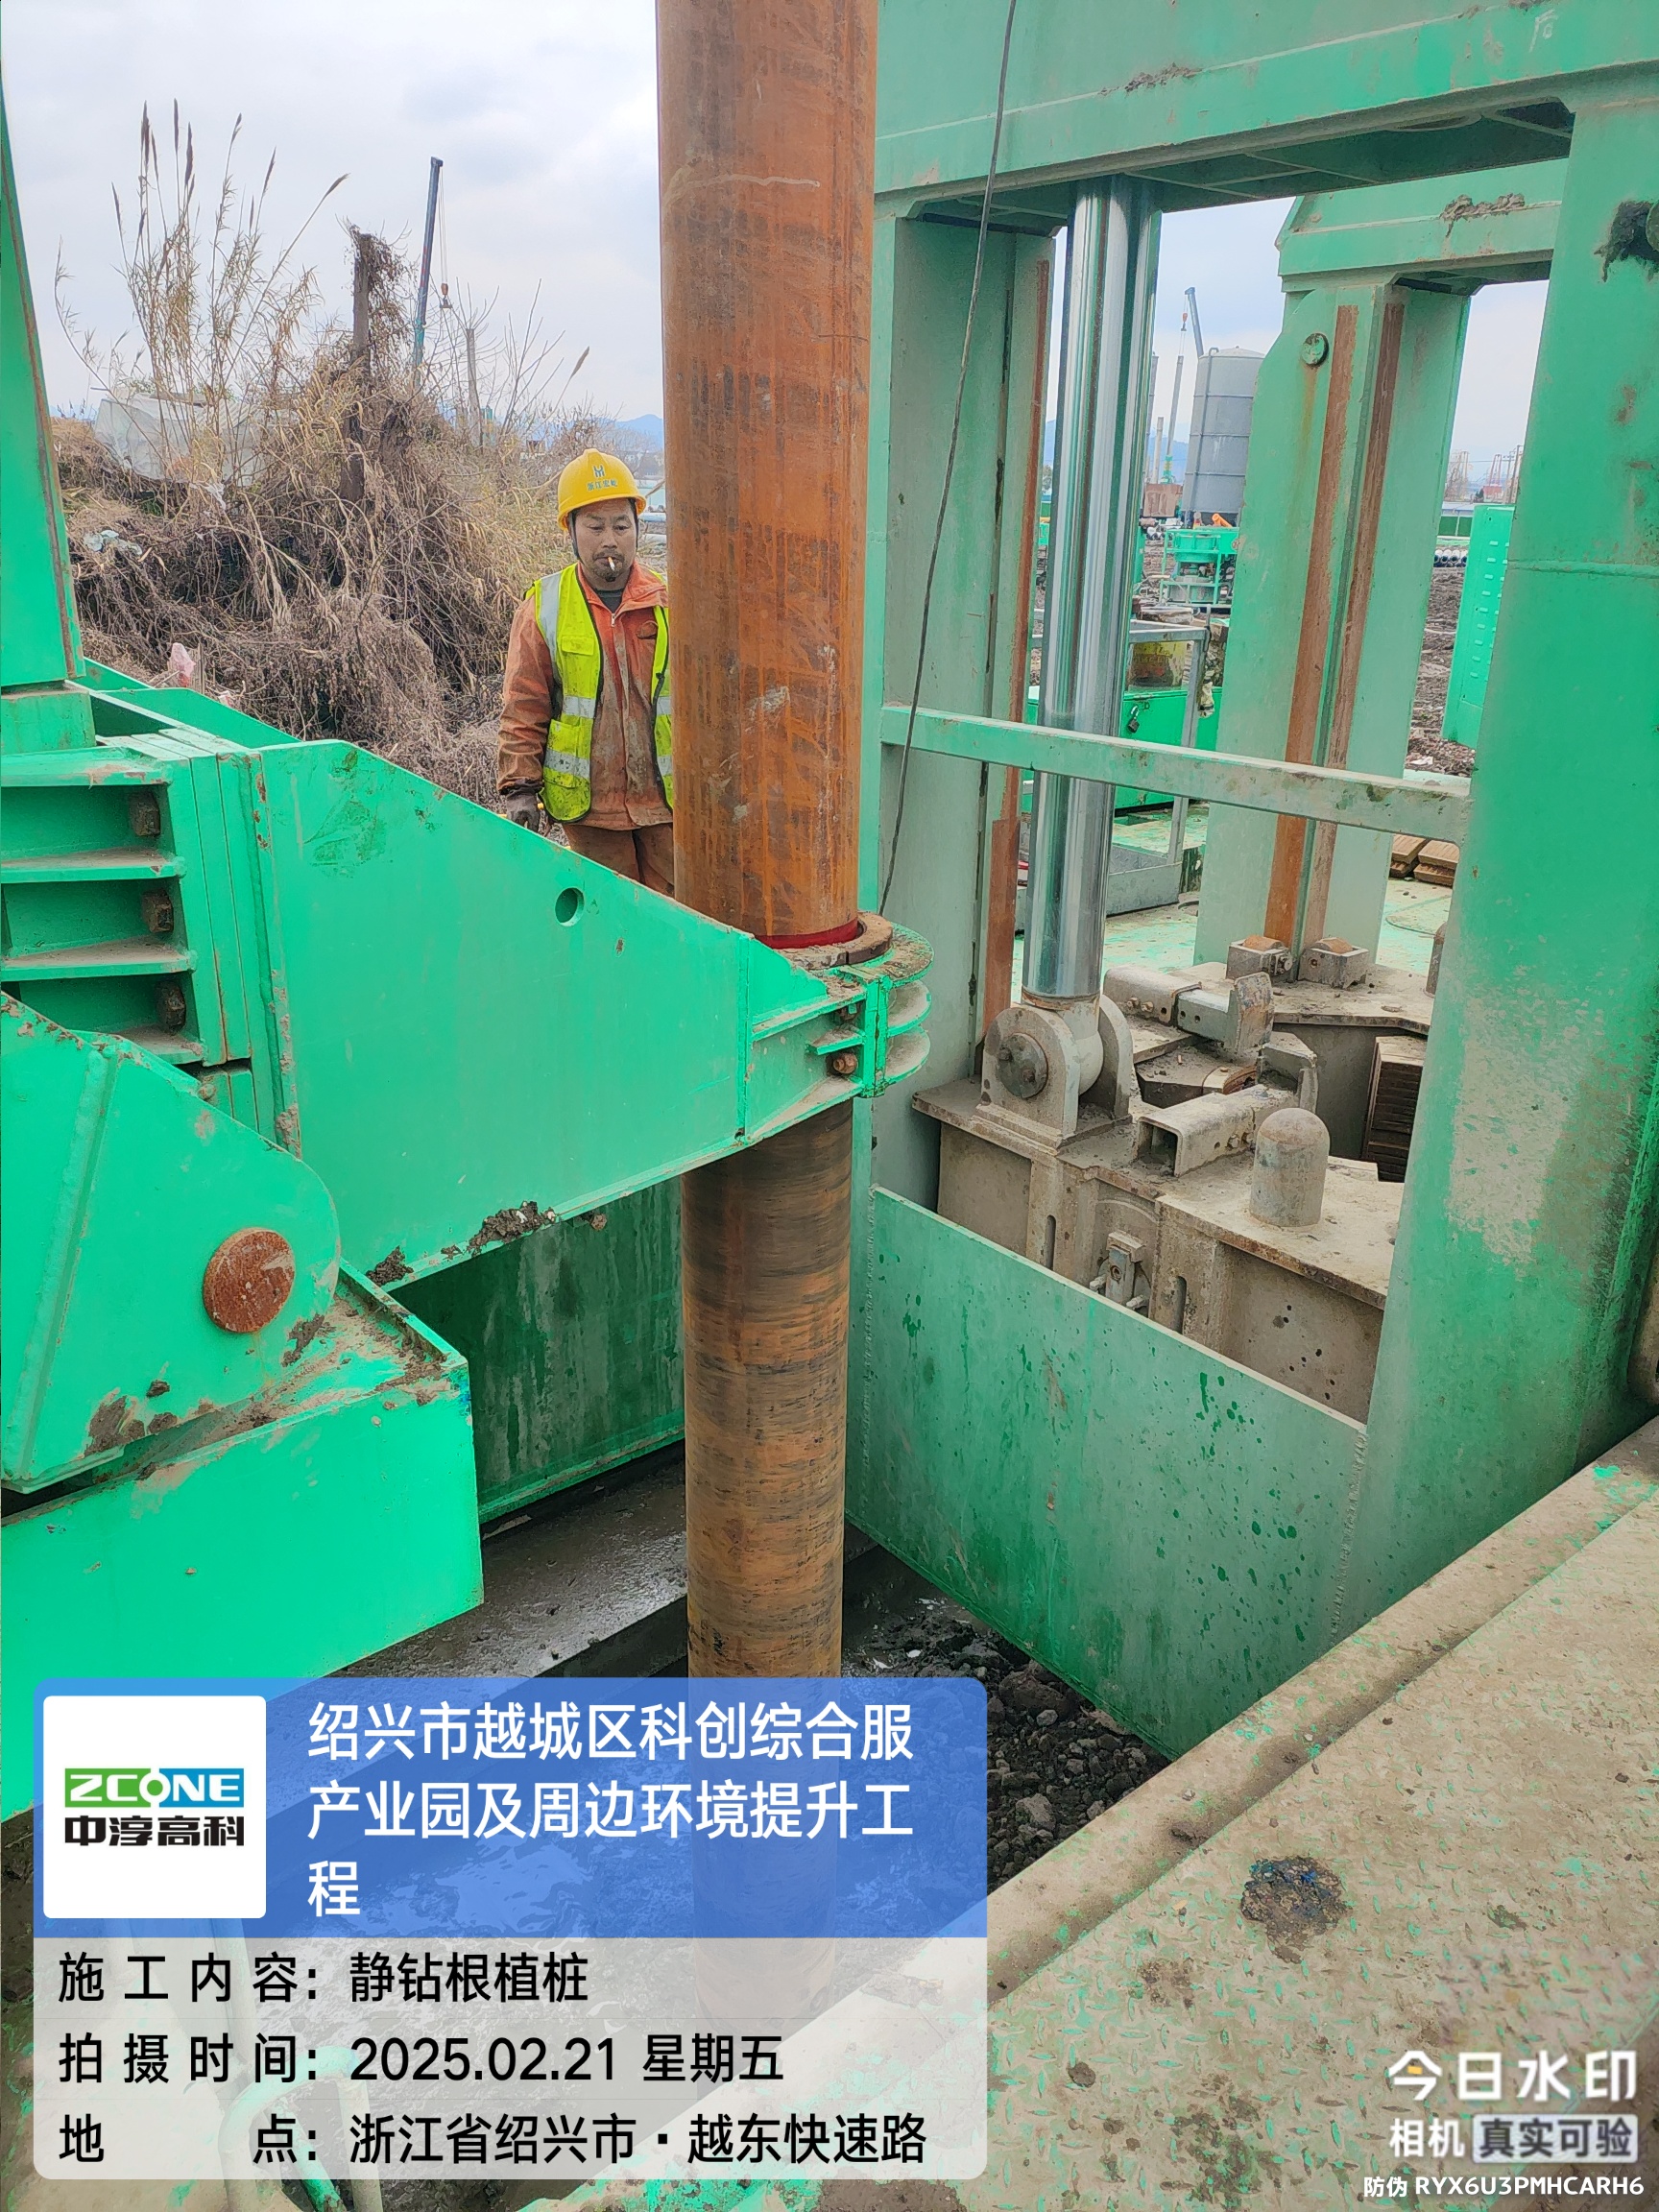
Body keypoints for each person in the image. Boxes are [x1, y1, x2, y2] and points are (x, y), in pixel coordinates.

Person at [497, 448, 674, 894]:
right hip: (591, 811)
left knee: (677, 916)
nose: (610, 540)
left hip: (668, 806)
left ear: (637, 528)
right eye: (595, 527)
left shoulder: (671, 601)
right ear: (571, 532)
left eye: (621, 525)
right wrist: (520, 789)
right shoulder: (545, 608)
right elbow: (524, 705)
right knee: (610, 913)